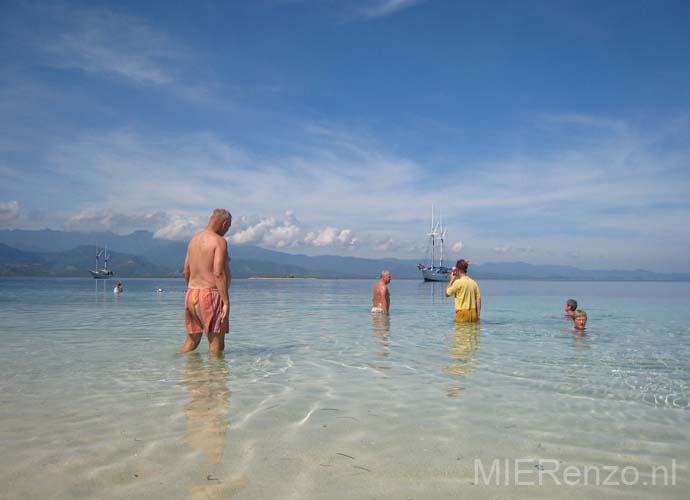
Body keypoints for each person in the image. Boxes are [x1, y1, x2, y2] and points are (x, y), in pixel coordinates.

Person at [180, 208, 232, 355]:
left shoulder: (193, 240)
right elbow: (218, 273)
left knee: (192, 341)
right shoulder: (219, 241)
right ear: (224, 224)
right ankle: (215, 377)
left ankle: (175, 363)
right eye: (228, 228)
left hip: (191, 294)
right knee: (217, 344)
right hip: (210, 295)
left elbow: (186, 271)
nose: (226, 231)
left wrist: (193, 289)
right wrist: (226, 302)